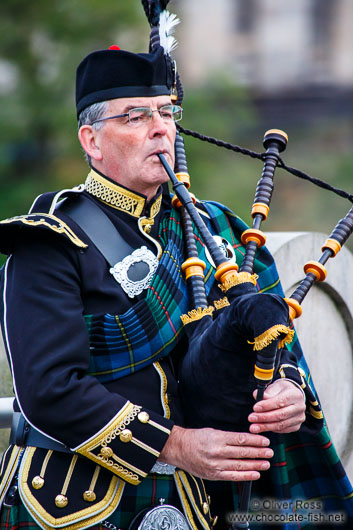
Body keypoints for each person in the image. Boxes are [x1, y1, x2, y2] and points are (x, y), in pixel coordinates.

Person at [0, 44, 349, 530]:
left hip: (204, 503)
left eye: (167, 112)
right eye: (136, 116)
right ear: (92, 140)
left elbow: (269, 340)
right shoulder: (50, 242)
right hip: (77, 503)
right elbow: (49, 389)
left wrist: (289, 390)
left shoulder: (217, 230)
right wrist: (176, 445)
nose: (161, 127)